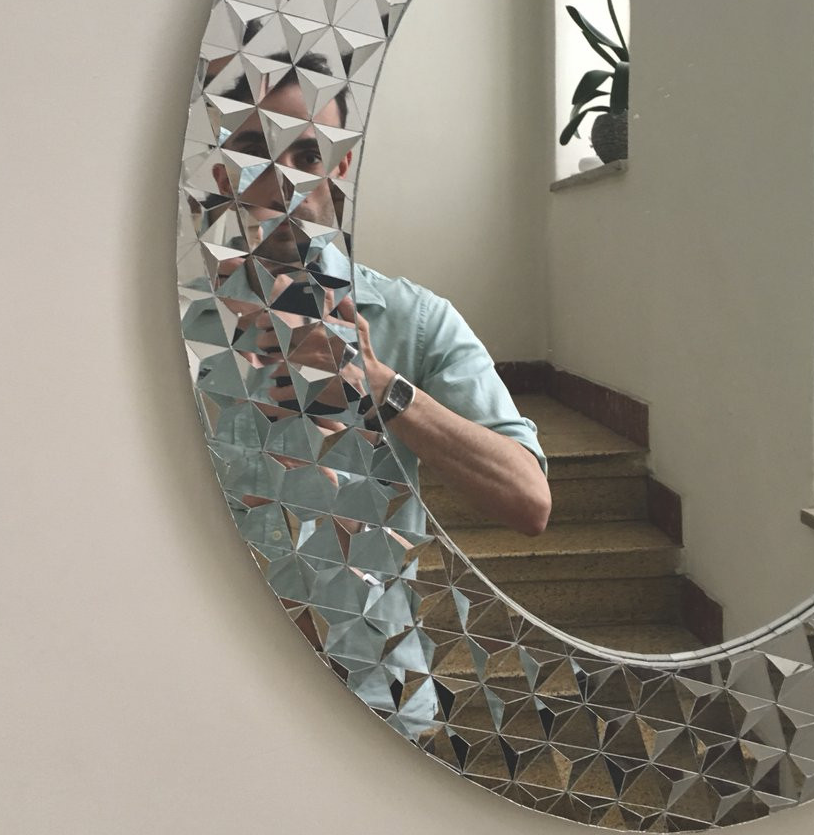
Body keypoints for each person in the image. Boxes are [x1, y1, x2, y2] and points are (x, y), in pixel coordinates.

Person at [198, 50, 551, 541]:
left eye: (309, 156)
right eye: (258, 153)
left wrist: (381, 387)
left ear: (340, 168)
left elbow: (529, 501)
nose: (284, 181)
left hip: (369, 595)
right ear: (225, 176)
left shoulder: (416, 319)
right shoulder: (172, 321)